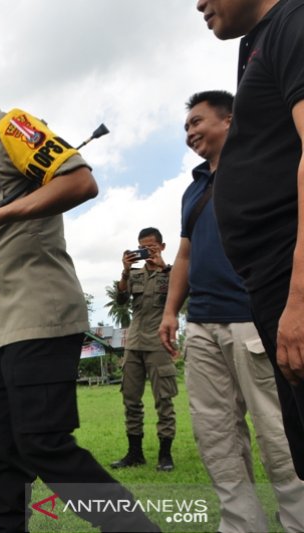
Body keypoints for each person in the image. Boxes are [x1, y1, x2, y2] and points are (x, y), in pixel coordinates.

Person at [0, 46, 158, 532]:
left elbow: (80, 181)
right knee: (3, 457)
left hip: (41, 316)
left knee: (43, 442)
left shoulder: (11, 127)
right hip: (4, 331)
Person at [159, 89, 304, 532]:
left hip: (254, 316)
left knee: (275, 429)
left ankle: (299, 519)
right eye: (186, 126)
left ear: (229, 120)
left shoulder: (263, 169)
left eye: (198, 122)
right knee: (215, 433)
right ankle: (243, 525)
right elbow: (183, 256)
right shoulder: (193, 189)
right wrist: (170, 313)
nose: (191, 132)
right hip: (201, 323)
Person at [197, 0, 304, 480]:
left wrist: (300, 299)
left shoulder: (293, 22)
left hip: (291, 275)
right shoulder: (253, 45)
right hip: (268, 282)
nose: (197, 3)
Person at [111, 227, 177, 471]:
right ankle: (135, 454)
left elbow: (180, 297)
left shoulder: (172, 274)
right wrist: (126, 272)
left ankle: (165, 456)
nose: (147, 251)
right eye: (143, 247)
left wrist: (163, 268)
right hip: (134, 344)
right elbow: (120, 301)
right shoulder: (135, 275)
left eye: (152, 247)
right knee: (130, 400)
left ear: (162, 246)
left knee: (164, 401)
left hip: (160, 344)